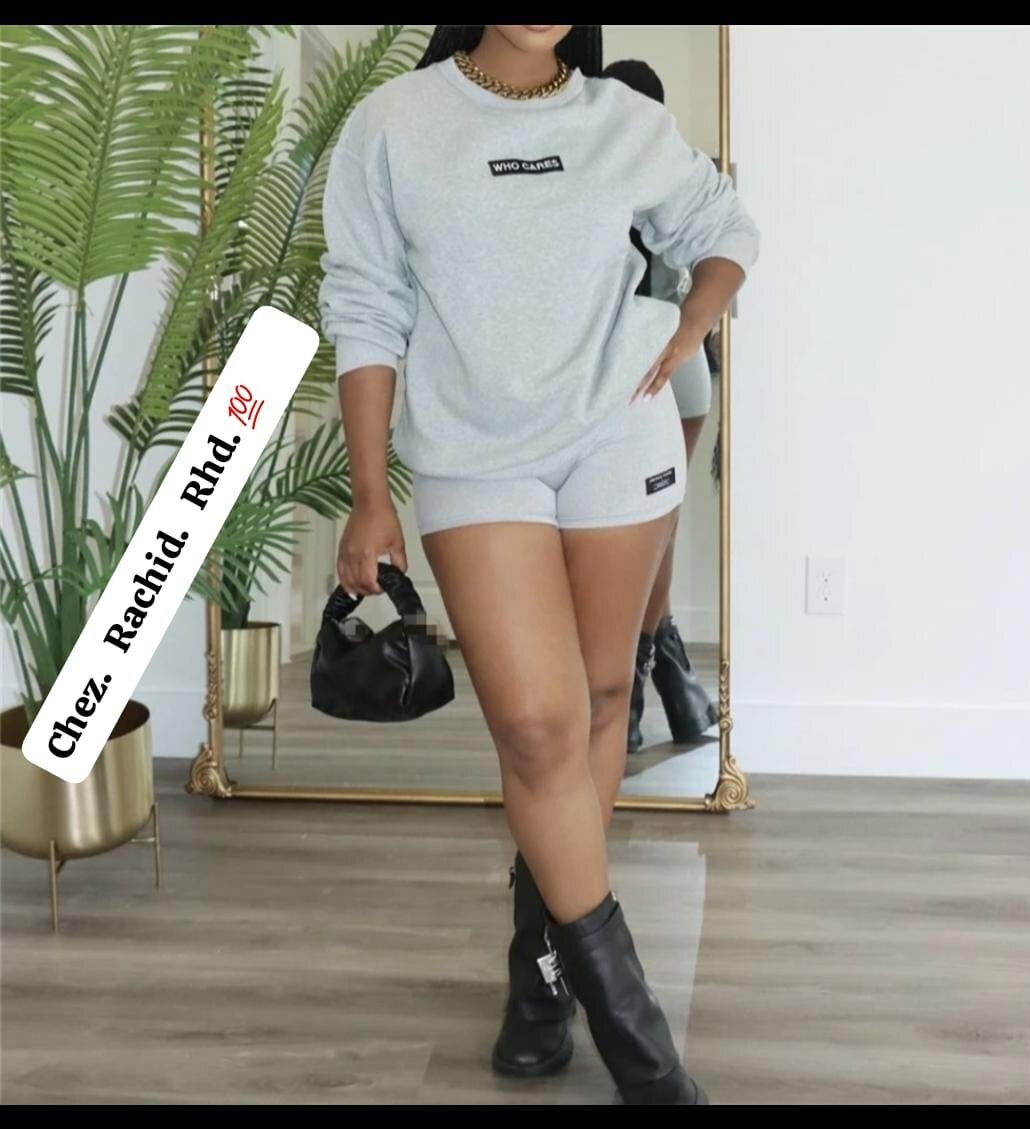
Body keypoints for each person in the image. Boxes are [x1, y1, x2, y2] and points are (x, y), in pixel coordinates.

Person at [320, 25, 759, 1105]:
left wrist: (693, 321)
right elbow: (366, 305)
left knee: (604, 697)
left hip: (618, 434)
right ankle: (643, 1050)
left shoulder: (621, 120)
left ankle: (543, 967)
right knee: (535, 725)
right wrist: (370, 494)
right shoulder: (395, 124)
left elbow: (725, 224)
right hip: (476, 456)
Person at [603, 58, 721, 757]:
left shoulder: (602, 172)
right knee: (659, 529)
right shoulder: (672, 166)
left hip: (637, 371)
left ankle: (632, 689)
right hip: (686, 371)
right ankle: (668, 678)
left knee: (638, 533)